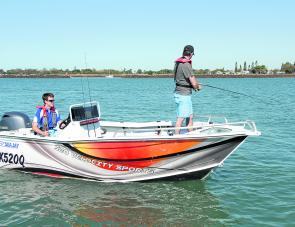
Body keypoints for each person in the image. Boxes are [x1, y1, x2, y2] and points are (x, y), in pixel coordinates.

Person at [174, 45, 201, 134]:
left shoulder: (178, 63)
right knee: (181, 117)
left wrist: (195, 86)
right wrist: (197, 87)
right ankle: (176, 137)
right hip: (183, 95)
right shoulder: (186, 64)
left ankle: (190, 133)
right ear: (191, 53)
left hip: (179, 93)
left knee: (190, 116)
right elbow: (193, 81)